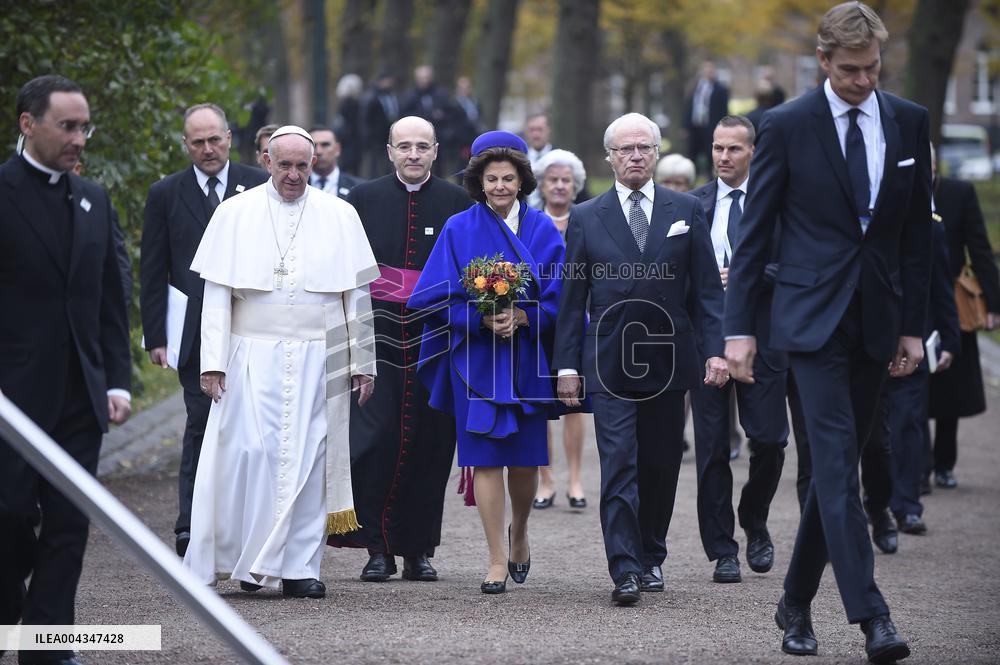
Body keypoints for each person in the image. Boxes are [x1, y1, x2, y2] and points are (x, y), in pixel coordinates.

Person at [724, 3, 931, 661]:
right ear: (822, 61)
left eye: (871, 69)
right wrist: (738, 331)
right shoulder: (784, 126)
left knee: (834, 476)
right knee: (837, 466)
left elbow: (915, 239)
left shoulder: (908, 121)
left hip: (877, 319)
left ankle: (795, 601)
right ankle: (873, 617)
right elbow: (752, 236)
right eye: (849, 70)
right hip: (807, 321)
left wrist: (912, 327)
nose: (862, 81)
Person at [182, 125, 379, 599]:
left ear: (314, 166)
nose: (293, 175)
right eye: (284, 165)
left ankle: (299, 568)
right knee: (249, 456)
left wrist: (363, 361)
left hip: (321, 356)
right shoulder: (234, 213)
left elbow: (358, 297)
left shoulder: (341, 214)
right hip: (252, 354)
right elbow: (216, 296)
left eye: (302, 166)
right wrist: (213, 362)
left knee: (312, 462)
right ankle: (246, 561)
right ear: (266, 162)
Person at [554, 113, 727, 605]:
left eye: (643, 148)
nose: (635, 156)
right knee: (619, 462)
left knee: (660, 463)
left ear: (656, 153)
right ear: (609, 157)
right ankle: (625, 567)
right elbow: (572, 299)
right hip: (608, 358)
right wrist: (567, 367)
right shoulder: (587, 216)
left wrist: (715, 351)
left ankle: (652, 554)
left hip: (669, 357)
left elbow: (708, 294)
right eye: (625, 149)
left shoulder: (686, 208)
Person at [0, 74, 132, 665]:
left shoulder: (94, 199)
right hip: (11, 398)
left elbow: (109, 298)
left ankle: (47, 650)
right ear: (28, 123)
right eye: (68, 126)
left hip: (81, 396)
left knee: (67, 528)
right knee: (6, 518)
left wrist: (118, 380)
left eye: (85, 126)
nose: (80, 138)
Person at [407, 131, 564, 594]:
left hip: (526, 359)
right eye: (491, 178)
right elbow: (430, 298)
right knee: (485, 459)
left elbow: (562, 299)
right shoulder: (458, 228)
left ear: (522, 181)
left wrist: (524, 315)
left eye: (508, 178)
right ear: (479, 182)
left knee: (525, 461)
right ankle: (496, 556)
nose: (499, 186)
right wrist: (479, 319)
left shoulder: (543, 231)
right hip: (474, 361)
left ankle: (521, 532)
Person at [327, 116, 472, 582]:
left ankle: (419, 548)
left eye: (422, 147)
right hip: (378, 331)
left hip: (438, 332)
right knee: (377, 437)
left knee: (431, 439)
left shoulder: (457, 201)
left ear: (435, 153)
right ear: (389, 151)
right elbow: (344, 270)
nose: (413, 154)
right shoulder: (361, 200)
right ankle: (377, 547)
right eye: (404, 146)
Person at [140, 103, 267, 558]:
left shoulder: (258, 183)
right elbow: (152, 269)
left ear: (229, 137)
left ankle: (247, 526)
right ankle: (190, 525)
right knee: (201, 425)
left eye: (215, 139)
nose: (208, 149)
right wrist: (156, 336)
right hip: (194, 334)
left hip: (256, 326)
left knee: (253, 431)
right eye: (198, 142)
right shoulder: (166, 193)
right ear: (185, 145)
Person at [689, 115, 789, 584]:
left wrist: (747, 276)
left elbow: (794, 267)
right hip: (706, 342)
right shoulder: (692, 206)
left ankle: (754, 517)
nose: (723, 157)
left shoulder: (776, 205)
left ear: (753, 152)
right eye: (717, 148)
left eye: (733, 149)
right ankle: (722, 549)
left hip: (763, 340)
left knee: (769, 440)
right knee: (711, 450)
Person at [928, 172, 1000, 489]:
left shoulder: (959, 193)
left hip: (952, 299)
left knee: (950, 389)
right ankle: (913, 468)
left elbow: (979, 247)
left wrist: (993, 303)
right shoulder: (894, 184)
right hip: (906, 298)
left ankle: (944, 464)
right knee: (905, 390)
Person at [527, 149, 590, 510]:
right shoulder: (533, 223)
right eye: (553, 179)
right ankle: (546, 479)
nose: (560, 185)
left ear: (576, 184)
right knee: (541, 401)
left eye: (566, 180)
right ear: (542, 184)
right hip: (542, 322)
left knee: (575, 403)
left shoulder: (587, 218)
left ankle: (577, 478)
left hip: (579, 322)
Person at [684, 61, 730, 176]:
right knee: (692, 154)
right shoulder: (695, 87)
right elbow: (689, 107)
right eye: (705, 70)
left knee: (710, 154)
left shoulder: (720, 89)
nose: (708, 72)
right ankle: (691, 177)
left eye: (710, 70)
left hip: (711, 127)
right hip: (695, 126)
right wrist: (685, 126)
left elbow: (723, 110)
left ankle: (711, 178)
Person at [360, 72, 399, 179]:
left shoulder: (391, 95)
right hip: (376, 135)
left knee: (388, 159)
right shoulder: (372, 97)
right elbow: (366, 118)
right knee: (375, 161)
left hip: (389, 133)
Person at [308, 125, 363, 199]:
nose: (318, 151)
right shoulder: (295, 186)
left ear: (337, 149)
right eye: (313, 145)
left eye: (325, 145)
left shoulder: (359, 187)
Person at [333, 73, 364, 175]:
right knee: (352, 165)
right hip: (352, 138)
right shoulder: (353, 104)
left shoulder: (343, 104)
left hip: (346, 139)